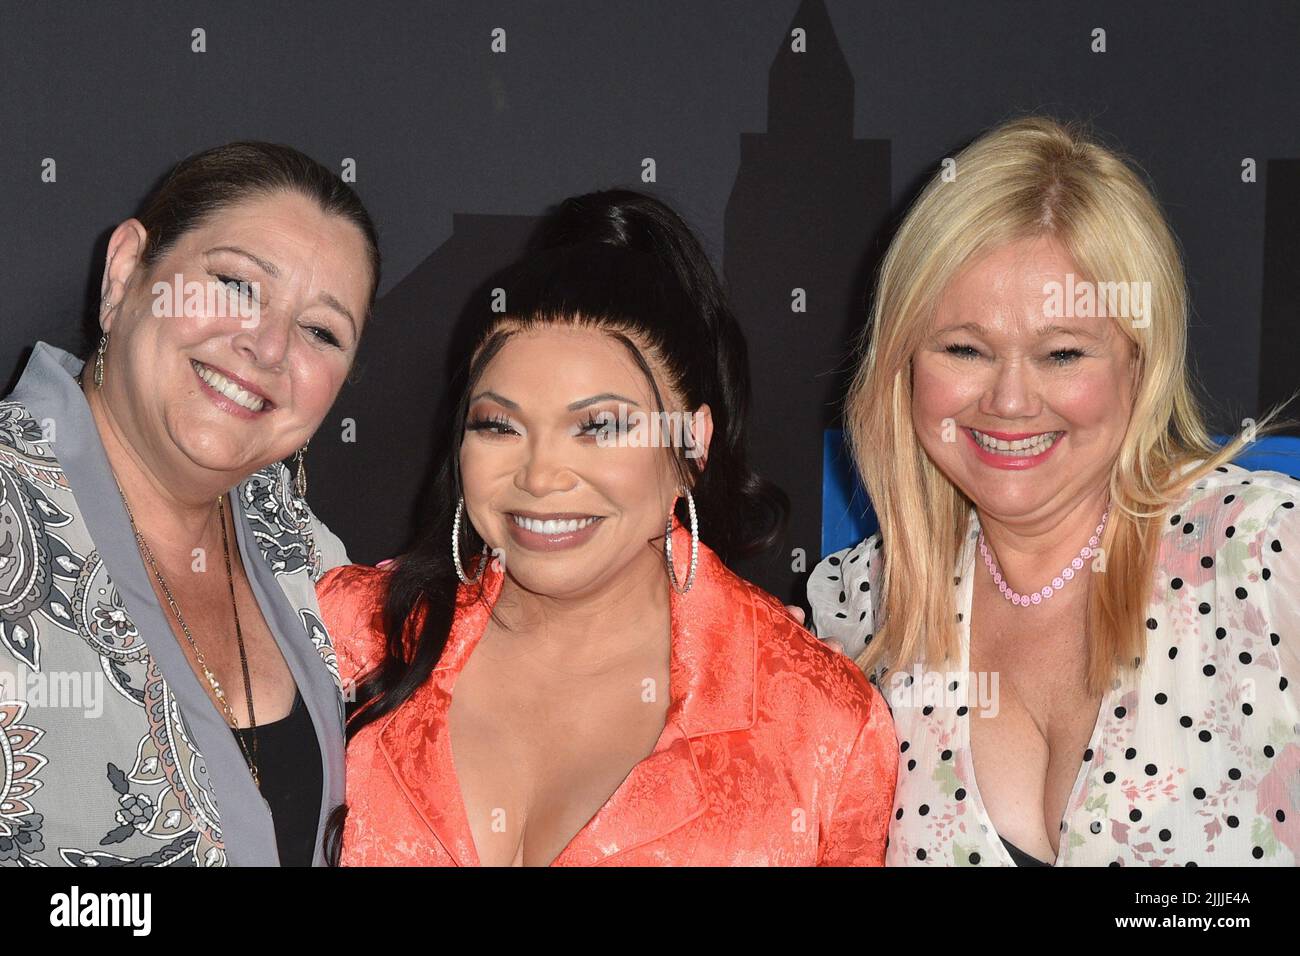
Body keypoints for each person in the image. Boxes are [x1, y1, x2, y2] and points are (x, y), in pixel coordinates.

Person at [318, 189, 897, 866]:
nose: (541, 475)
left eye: (600, 427)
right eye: (499, 425)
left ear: (692, 448)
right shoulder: (350, 632)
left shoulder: (819, 722)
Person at [808, 116, 1300, 866]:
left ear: (1142, 361)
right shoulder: (861, 610)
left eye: (1062, 353)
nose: (1009, 402)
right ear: (904, 364)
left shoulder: (1267, 557)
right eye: (964, 349)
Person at [0, 142, 377, 866]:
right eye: (236, 284)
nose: (268, 347)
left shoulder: (310, 552)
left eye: (321, 331)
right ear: (124, 272)